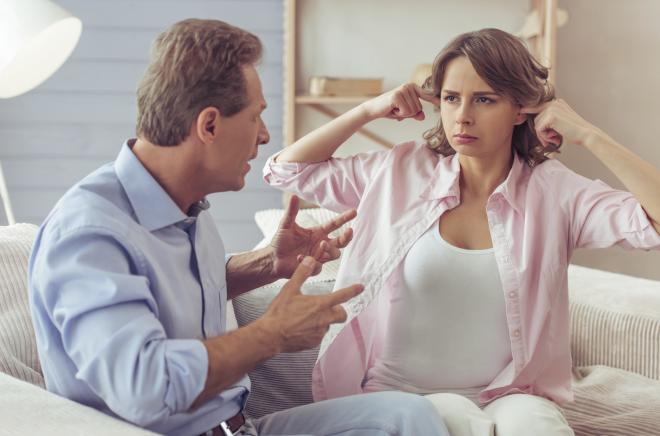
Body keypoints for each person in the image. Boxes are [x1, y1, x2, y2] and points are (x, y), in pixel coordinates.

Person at [27, 19, 451, 436]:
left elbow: (175, 293)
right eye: (255, 117)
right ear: (209, 125)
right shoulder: (88, 235)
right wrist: (272, 334)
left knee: (406, 417)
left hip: (240, 427)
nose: (264, 136)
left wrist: (267, 263)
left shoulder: (186, 205)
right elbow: (144, 389)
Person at [263, 28, 660, 436]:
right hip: (400, 397)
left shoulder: (553, 192)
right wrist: (368, 111)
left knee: (536, 424)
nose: (463, 116)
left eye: (484, 99)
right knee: (453, 414)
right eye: (451, 98)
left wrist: (591, 136)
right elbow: (286, 170)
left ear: (520, 109)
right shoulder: (400, 171)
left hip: (510, 394)